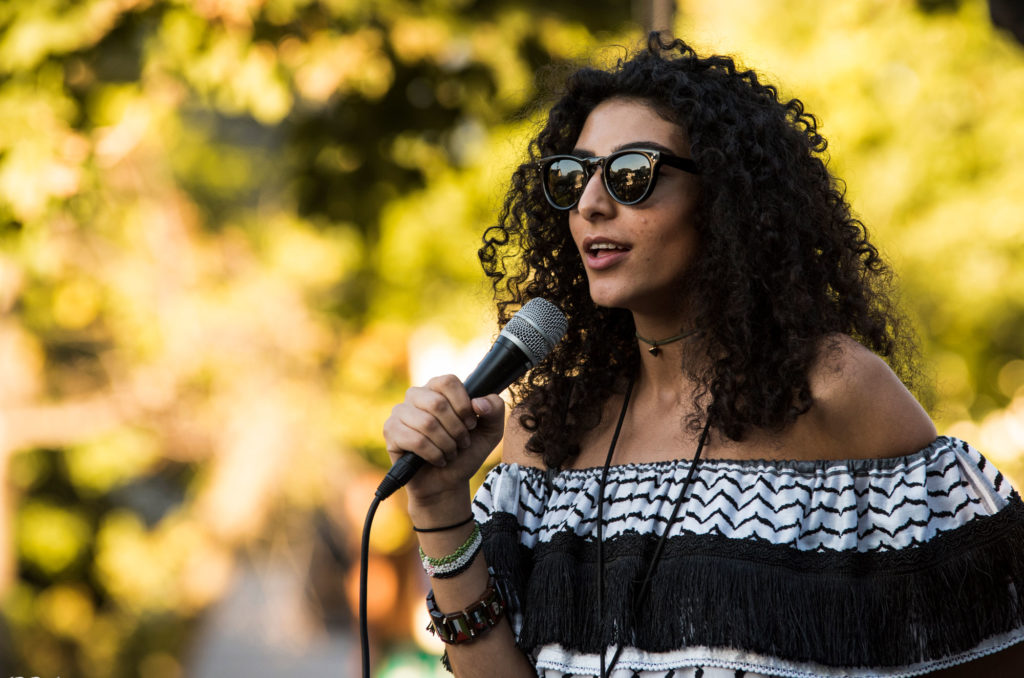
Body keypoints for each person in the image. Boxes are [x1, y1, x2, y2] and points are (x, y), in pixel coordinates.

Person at [381, 34, 1024, 677]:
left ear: (721, 197)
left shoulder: (834, 392)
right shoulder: (546, 432)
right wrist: (438, 504)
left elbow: (993, 649)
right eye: (573, 177)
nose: (591, 205)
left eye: (633, 175)